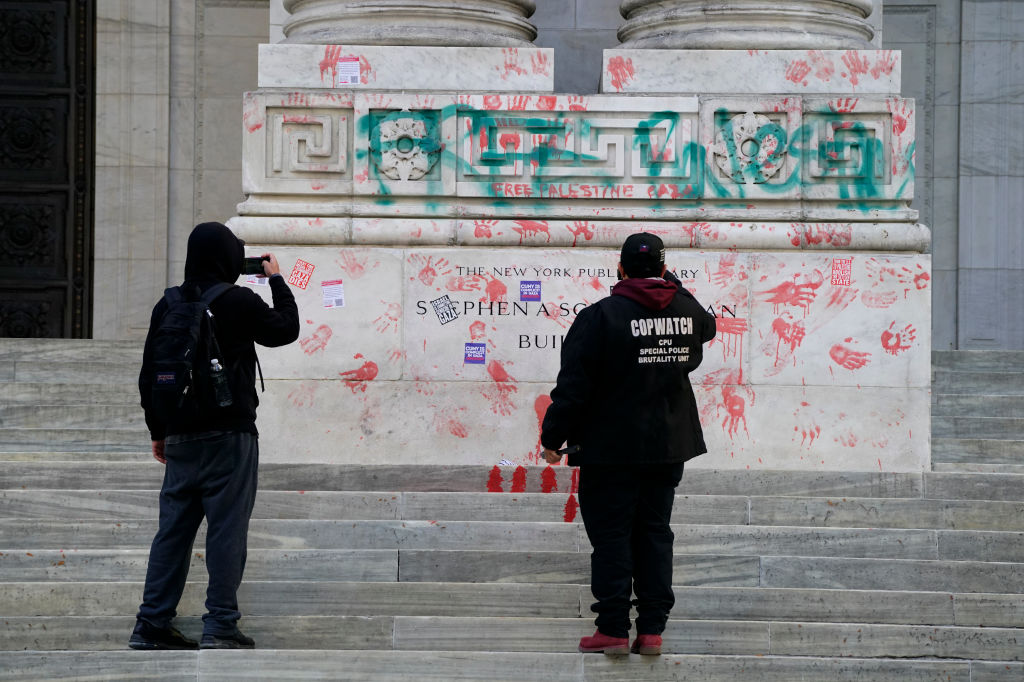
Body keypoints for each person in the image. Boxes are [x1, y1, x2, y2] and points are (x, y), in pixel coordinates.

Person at [541, 232, 716, 656]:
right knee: (655, 533)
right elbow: (707, 324)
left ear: (619, 268)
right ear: (662, 269)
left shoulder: (600, 317)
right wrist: (666, 278)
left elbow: (573, 389)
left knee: (613, 537)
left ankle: (614, 627)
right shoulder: (687, 314)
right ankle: (652, 629)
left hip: (609, 449)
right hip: (666, 446)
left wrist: (551, 438)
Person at [130, 222, 299, 650]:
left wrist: (159, 431)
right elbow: (285, 329)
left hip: (181, 437)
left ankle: (151, 625)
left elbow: (149, 375)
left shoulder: (166, 304)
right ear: (227, 258)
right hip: (229, 437)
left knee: (172, 533)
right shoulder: (238, 299)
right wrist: (276, 279)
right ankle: (220, 624)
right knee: (226, 531)